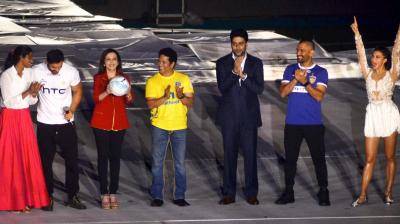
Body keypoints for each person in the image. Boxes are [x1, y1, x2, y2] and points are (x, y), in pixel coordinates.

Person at [350, 17, 400, 207]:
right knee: (369, 158)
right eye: (373, 56)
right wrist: (357, 35)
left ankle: (388, 191)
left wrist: (399, 34)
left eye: (378, 57)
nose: (373, 59)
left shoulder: (392, 73)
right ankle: (363, 195)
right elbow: (360, 54)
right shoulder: (367, 72)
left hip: (388, 114)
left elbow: (397, 49)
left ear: (385, 60)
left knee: (389, 157)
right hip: (372, 116)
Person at [276, 39, 330, 206]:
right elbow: (283, 93)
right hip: (293, 123)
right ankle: (289, 192)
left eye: (302, 50)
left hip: (313, 124)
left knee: (318, 159)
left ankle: (323, 191)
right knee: (290, 160)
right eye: (298, 49)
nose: (298, 53)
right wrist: (295, 79)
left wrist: (305, 82)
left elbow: (319, 96)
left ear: (311, 52)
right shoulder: (290, 69)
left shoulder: (321, 72)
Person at [32, 49, 86, 211]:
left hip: (65, 124)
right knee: (45, 163)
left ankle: (72, 196)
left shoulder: (71, 72)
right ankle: (47, 196)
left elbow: (78, 91)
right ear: (46, 62)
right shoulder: (36, 71)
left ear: (63, 62)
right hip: (45, 124)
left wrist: (72, 110)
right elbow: (29, 92)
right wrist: (33, 91)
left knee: (72, 161)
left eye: (58, 66)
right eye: (52, 67)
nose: (55, 69)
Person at [216, 28, 264, 205]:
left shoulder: (256, 63)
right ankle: (229, 193)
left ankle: (251, 193)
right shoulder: (222, 63)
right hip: (229, 119)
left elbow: (259, 89)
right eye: (234, 44)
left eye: (241, 43)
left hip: (249, 118)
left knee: (250, 157)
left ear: (246, 44)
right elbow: (222, 87)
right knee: (229, 156)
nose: (237, 47)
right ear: (231, 44)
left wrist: (243, 75)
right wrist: (233, 72)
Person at [0, 46, 49, 212]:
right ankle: (13, 201)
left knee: (26, 156)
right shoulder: (6, 75)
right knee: (12, 157)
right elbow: (8, 102)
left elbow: (30, 102)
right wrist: (28, 91)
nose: (32, 60)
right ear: (21, 58)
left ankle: (26, 199)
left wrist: (34, 94)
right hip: (10, 117)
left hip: (24, 117)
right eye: (29, 58)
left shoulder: (29, 74)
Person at [145, 47, 194, 207]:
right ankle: (157, 196)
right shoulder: (153, 81)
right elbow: (151, 105)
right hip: (160, 125)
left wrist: (180, 95)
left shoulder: (184, 79)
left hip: (179, 126)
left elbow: (190, 103)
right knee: (157, 162)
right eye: (159, 61)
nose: (160, 64)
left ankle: (179, 195)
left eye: (164, 62)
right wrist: (165, 97)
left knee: (179, 163)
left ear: (172, 64)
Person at [91, 49, 134, 209]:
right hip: (101, 122)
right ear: (104, 62)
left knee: (115, 158)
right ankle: (104, 194)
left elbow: (128, 101)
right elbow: (96, 98)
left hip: (119, 124)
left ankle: (113, 192)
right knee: (103, 158)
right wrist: (107, 91)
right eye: (108, 59)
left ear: (118, 61)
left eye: (114, 59)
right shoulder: (99, 78)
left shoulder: (124, 78)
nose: (111, 62)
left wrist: (129, 94)